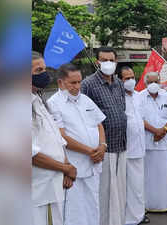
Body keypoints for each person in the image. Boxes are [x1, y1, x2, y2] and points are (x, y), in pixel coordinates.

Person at [47, 63, 106, 225]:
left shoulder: (85, 99)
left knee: (93, 207)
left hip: (94, 165)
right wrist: (90, 151)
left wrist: (102, 147)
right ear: (60, 83)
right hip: (74, 168)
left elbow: (99, 124)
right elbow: (61, 136)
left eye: (79, 82)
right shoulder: (53, 103)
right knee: (74, 212)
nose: (77, 86)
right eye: (72, 83)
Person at [80, 47, 128, 225]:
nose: (108, 63)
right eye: (104, 60)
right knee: (104, 192)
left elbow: (122, 110)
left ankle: (118, 221)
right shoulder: (88, 84)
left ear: (116, 62)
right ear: (97, 62)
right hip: (103, 147)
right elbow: (82, 115)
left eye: (111, 60)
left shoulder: (119, 84)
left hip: (121, 144)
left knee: (119, 190)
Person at [32, 51, 77, 225]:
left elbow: (56, 139)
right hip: (39, 190)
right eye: (38, 70)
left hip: (53, 183)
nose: (44, 74)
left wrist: (65, 165)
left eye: (44, 69)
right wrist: (64, 168)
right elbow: (30, 153)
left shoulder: (38, 99)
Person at [137, 72, 167, 212]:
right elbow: (138, 118)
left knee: (164, 175)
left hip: (164, 143)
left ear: (159, 82)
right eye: (150, 82)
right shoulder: (139, 97)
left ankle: (166, 204)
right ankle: (148, 205)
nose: (153, 84)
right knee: (148, 176)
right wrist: (155, 131)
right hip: (147, 143)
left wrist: (164, 130)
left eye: (156, 81)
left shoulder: (166, 96)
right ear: (146, 83)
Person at [118, 66, 150, 224]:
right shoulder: (117, 96)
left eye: (132, 77)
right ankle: (128, 218)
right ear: (120, 80)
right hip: (125, 148)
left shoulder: (138, 96)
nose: (130, 81)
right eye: (126, 78)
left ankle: (138, 214)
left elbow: (141, 118)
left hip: (139, 146)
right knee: (127, 186)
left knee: (138, 185)